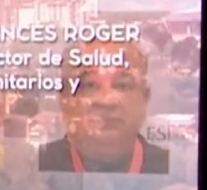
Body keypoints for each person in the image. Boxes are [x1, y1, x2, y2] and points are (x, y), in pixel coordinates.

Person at [38, 39, 169, 174]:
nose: (106, 101)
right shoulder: (33, 169)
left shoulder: (175, 170)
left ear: (145, 96)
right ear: (63, 97)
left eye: (122, 85)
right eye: (90, 85)